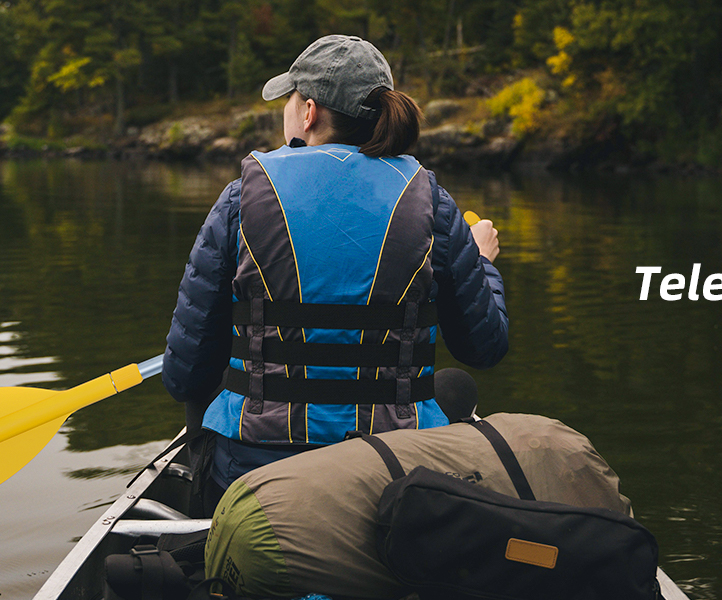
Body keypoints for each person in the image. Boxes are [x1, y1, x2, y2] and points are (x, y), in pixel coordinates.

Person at [162, 34, 507, 511]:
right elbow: (484, 346)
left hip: (256, 475)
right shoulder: (432, 202)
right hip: (394, 471)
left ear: (309, 112)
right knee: (456, 388)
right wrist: (483, 264)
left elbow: (184, 376)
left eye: (289, 98)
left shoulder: (241, 198)